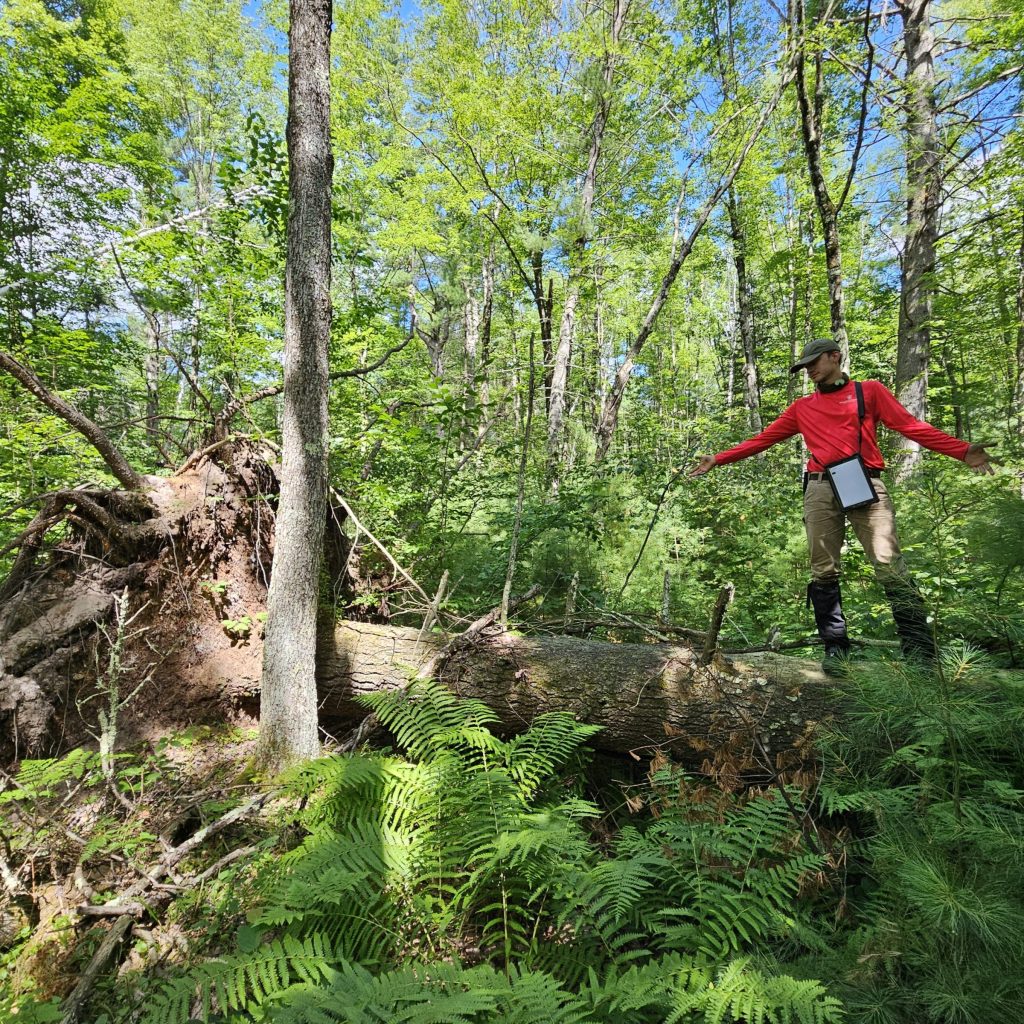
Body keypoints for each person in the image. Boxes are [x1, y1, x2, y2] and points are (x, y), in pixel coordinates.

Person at [689, 338, 995, 674]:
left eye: (814, 362)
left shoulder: (870, 392)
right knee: (823, 568)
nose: (810, 370)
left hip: (866, 482)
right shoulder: (802, 408)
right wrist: (718, 458)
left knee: (889, 562)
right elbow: (763, 439)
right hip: (820, 487)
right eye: (805, 366)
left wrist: (962, 450)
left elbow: (910, 426)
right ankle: (836, 648)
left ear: (835, 356)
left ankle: (920, 651)